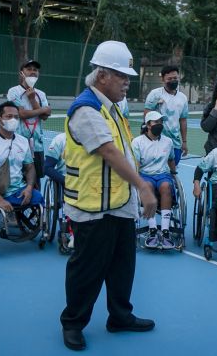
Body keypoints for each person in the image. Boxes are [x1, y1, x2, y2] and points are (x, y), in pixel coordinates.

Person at [60, 40, 158, 351]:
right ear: (102, 75)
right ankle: (73, 323)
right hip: (93, 207)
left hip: (117, 203)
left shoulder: (110, 107)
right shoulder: (87, 110)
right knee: (87, 270)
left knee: (122, 266)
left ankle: (120, 316)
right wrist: (143, 186)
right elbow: (109, 152)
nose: (128, 83)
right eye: (122, 76)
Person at [0, 101, 42, 214]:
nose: (13, 120)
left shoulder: (23, 141)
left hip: (19, 190)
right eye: (9, 116)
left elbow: (30, 168)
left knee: (38, 197)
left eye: (16, 117)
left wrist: (29, 188)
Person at [132, 111, 177, 249]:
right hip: (145, 174)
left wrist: (174, 174)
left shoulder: (168, 142)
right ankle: (152, 230)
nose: (160, 125)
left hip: (162, 174)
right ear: (148, 125)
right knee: (147, 187)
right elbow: (136, 165)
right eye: (156, 122)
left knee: (166, 187)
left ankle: (165, 230)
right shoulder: (137, 142)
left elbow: (170, 159)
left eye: (161, 122)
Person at [6, 59, 52, 188]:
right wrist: (43, 109)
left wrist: (32, 99)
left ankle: (37, 207)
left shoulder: (41, 94)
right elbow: (21, 114)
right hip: (18, 144)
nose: (32, 72)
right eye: (29, 69)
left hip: (37, 145)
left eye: (35, 70)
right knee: (18, 178)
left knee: (36, 181)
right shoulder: (13, 91)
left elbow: (44, 117)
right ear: (22, 73)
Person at [143, 65, 189, 165]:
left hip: (175, 143)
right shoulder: (155, 94)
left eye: (175, 78)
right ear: (163, 79)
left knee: (172, 170)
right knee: (155, 170)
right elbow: (146, 116)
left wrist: (184, 142)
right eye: (169, 78)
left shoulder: (183, 98)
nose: (173, 80)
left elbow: (183, 120)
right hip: (156, 140)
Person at [43, 132, 74, 249]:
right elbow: (47, 168)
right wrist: (65, 181)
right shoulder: (60, 140)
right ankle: (68, 231)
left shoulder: (95, 138)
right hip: (67, 181)